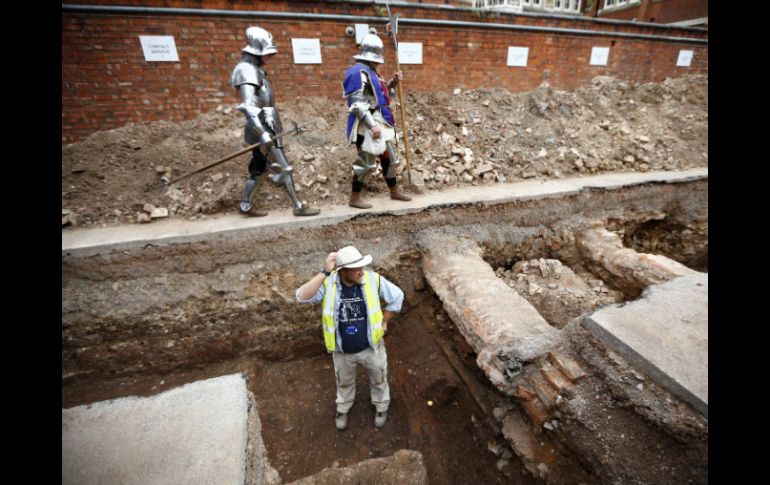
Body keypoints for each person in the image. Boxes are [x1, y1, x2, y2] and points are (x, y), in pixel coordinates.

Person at [295, 245, 405, 430]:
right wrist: (325, 272)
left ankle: (381, 406)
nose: (362, 272)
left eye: (362, 267)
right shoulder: (328, 284)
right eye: (357, 269)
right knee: (344, 382)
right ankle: (343, 408)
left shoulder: (372, 279)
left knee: (379, 378)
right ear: (343, 271)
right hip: (342, 350)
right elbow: (301, 296)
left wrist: (385, 321)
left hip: (372, 347)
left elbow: (397, 297)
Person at [230, 26, 320, 217]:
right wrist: (262, 133)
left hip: (269, 127)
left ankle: (245, 205)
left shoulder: (258, 70)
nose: (270, 57)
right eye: (267, 53)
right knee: (284, 168)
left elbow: (266, 103)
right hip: (260, 130)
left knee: (259, 170)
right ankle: (298, 206)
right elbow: (249, 107)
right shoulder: (246, 70)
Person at [342, 33, 412, 209]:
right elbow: (358, 105)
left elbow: (378, 96)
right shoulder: (357, 72)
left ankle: (394, 190)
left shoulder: (371, 72)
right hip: (366, 125)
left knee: (387, 157)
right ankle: (355, 198)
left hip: (379, 121)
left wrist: (393, 84)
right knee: (365, 162)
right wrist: (372, 126)